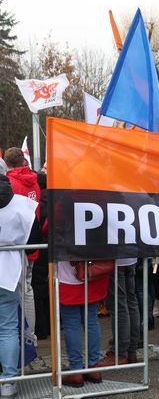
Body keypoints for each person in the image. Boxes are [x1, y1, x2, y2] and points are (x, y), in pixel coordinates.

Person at [0, 175, 37, 399]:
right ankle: (9, 380)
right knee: (7, 328)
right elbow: (34, 238)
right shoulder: (21, 204)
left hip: (10, 272)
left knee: (7, 327)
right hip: (8, 272)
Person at [3, 147, 40, 344]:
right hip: (31, 243)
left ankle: (19, 336)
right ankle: (29, 336)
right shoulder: (33, 181)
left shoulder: (11, 183)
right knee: (27, 289)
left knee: (15, 292)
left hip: (15, 246)